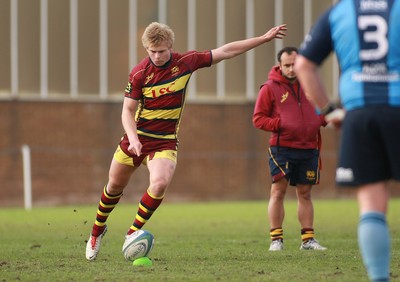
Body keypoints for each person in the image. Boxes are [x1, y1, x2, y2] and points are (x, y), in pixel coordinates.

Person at [85, 21, 287, 261]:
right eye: (152, 51)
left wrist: (263, 38)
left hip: (165, 142)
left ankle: (131, 232)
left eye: (161, 51)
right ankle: (97, 231)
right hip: (136, 138)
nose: (157, 56)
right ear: (146, 49)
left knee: (159, 184)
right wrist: (133, 139)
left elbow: (225, 51)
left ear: (170, 45)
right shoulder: (139, 73)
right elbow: (127, 111)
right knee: (114, 187)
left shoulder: (186, 62)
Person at [294, 0, 400, 281]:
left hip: (360, 114)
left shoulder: (340, 12)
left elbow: (304, 64)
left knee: (372, 205)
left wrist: (329, 111)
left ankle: (379, 278)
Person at [252, 46, 327, 251]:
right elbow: (258, 119)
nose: (292, 69)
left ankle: (308, 240)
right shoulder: (269, 88)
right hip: (282, 149)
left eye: (295, 64)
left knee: (305, 193)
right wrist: (281, 123)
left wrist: (320, 119)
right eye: (287, 65)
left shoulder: (310, 83)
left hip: (309, 147)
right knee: (278, 192)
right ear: (280, 66)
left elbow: (324, 107)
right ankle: (276, 240)